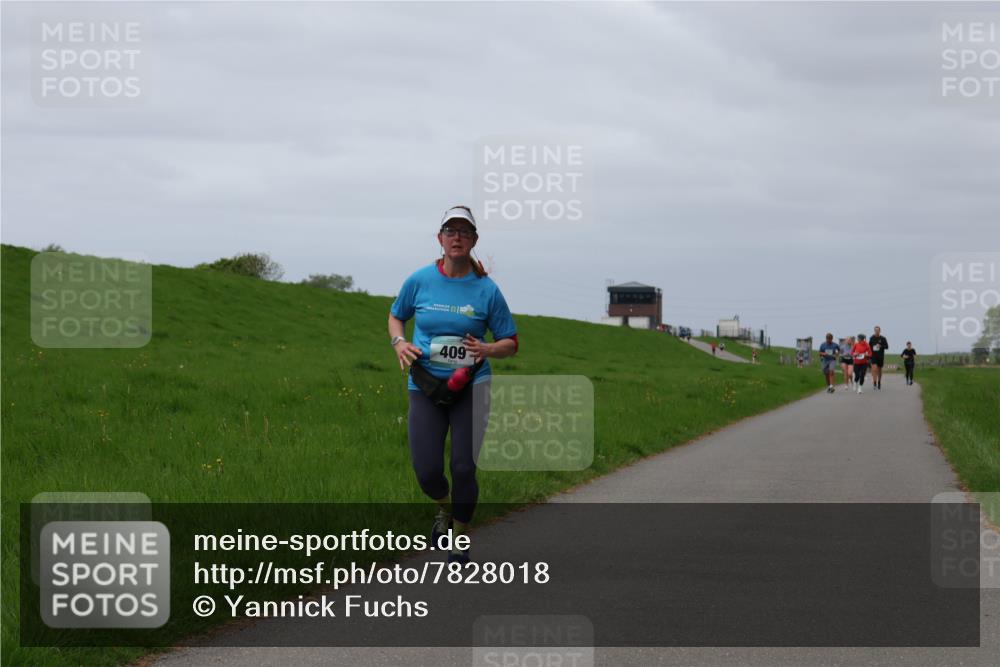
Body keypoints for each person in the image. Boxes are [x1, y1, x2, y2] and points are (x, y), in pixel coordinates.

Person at [388, 205, 518, 564]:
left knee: (463, 467)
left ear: (474, 240)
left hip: (472, 384)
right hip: (425, 384)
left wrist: (488, 349)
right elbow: (396, 316)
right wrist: (399, 343)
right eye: (450, 230)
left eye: (464, 231)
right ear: (440, 238)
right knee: (428, 472)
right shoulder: (419, 280)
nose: (456, 237)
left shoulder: (487, 290)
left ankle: (459, 534)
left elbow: (510, 342)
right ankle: (444, 508)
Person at [869, 325, 889, 391]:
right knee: (874, 369)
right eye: (875, 330)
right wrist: (868, 354)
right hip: (873, 356)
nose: (876, 331)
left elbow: (887, 347)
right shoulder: (871, 338)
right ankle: (874, 383)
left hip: (880, 356)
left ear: (880, 331)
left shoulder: (883, 338)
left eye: (878, 330)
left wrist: (881, 346)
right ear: (874, 331)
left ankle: (879, 381)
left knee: (879, 370)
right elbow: (869, 347)